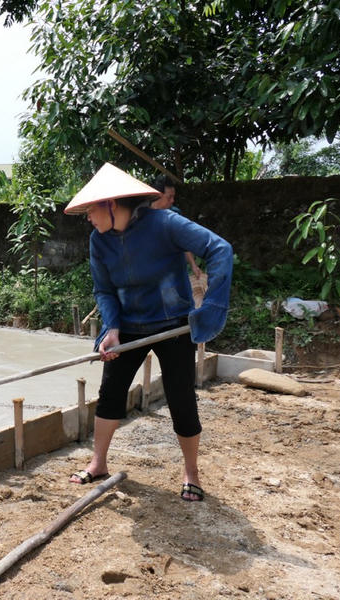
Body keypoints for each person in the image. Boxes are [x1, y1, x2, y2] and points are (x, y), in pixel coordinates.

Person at [64, 163, 233, 502]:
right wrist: (112, 328)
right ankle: (98, 462)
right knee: (110, 392)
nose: (88, 217)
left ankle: (191, 471)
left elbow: (220, 250)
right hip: (128, 327)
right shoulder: (99, 241)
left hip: (173, 325)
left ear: (111, 204)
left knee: (181, 398)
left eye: (91, 209)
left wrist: (212, 305)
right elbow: (104, 291)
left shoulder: (165, 223)